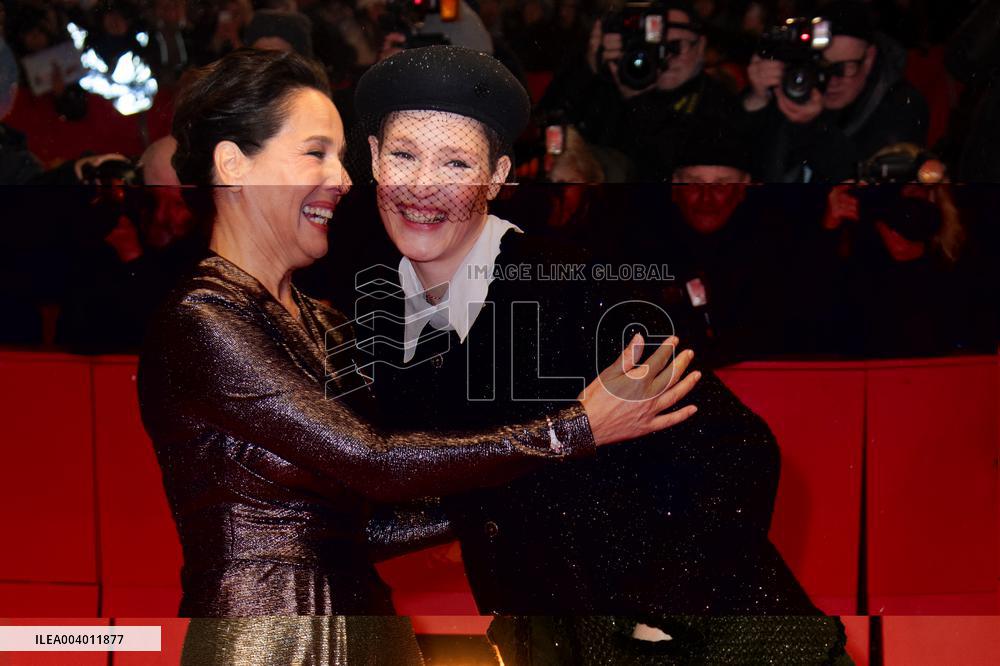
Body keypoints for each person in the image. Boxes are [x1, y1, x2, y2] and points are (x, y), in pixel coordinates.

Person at [137, 47, 700, 662]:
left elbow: (360, 523)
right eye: (315, 153)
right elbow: (374, 461)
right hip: (267, 641)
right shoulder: (205, 318)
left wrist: (537, 485)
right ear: (233, 165)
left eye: (343, 156)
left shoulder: (324, 319)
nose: (345, 179)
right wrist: (577, 430)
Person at [352, 47, 837, 649]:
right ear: (373, 159)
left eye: (456, 163)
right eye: (403, 155)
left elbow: (741, 448)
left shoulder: (577, 287)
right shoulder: (378, 324)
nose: (423, 186)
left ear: (498, 177)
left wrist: (658, 624)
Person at [539, 0, 741, 181]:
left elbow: (667, 168)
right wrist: (590, 65)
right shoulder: (613, 84)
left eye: (675, 47)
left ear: (701, 46)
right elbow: (551, 121)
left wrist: (637, 101)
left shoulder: (718, 100)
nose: (666, 58)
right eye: (655, 46)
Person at [742, 0, 929, 182]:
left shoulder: (902, 106)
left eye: (843, 68)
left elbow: (862, 182)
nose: (832, 81)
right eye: (822, 67)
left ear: (869, 58)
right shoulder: (796, 88)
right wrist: (757, 101)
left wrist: (813, 127)